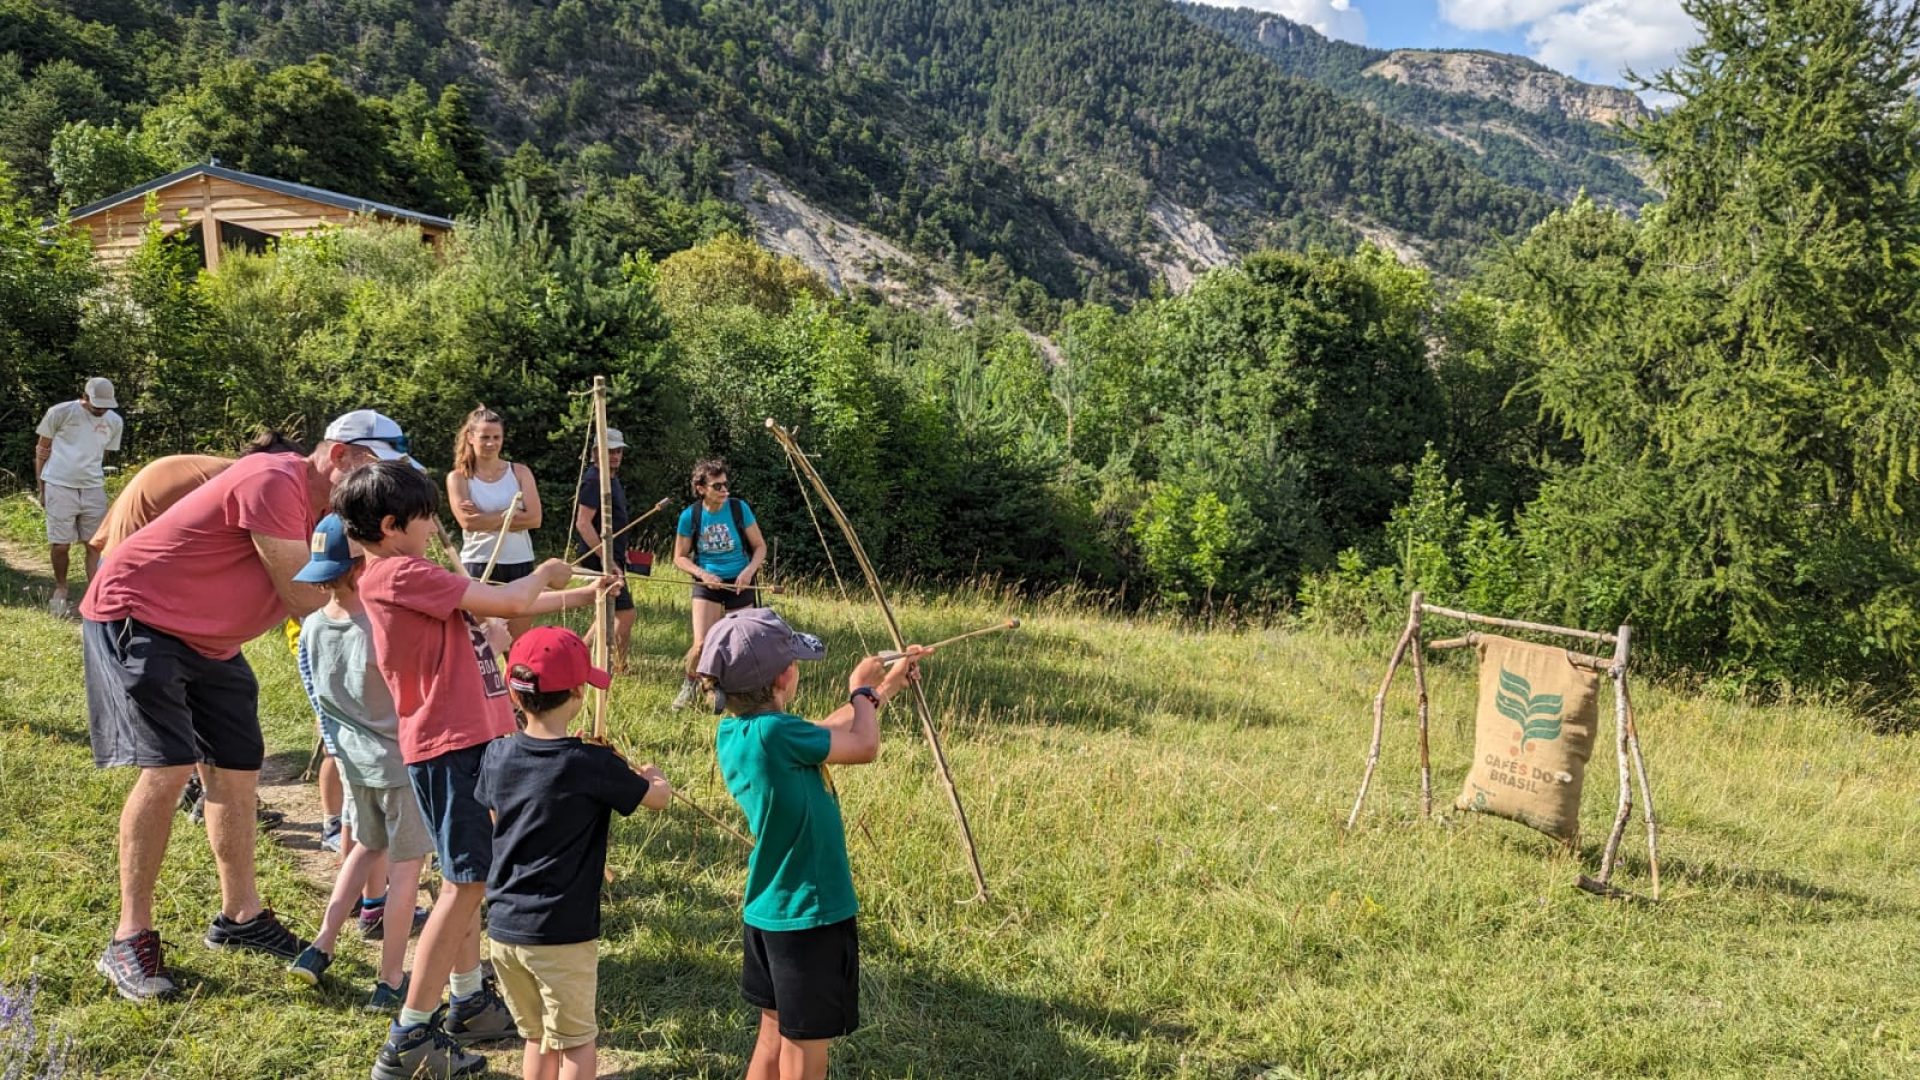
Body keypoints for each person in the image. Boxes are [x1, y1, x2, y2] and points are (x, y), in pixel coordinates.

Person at [82, 409, 416, 1002]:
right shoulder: (275, 480)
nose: (383, 488)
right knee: (169, 766)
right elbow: (302, 595)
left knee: (237, 768)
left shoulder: (334, 512)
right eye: (378, 470)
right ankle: (129, 936)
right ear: (339, 457)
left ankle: (241, 917)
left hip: (212, 640)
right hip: (140, 615)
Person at [335, 461, 622, 1080]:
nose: (434, 525)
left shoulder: (416, 577)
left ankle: (465, 999)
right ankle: (410, 1033)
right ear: (391, 526)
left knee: (468, 881)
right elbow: (517, 595)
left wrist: (578, 593)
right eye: (425, 516)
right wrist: (547, 570)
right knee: (467, 884)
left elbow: (507, 610)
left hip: (471, 742)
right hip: (450, 745)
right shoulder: (400, 574)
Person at [700, 608, 926, 1080]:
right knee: (805, 1052)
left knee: (773, 1036)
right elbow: (863, 746)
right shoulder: (777, 733)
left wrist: (887, 688)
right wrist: (861, 688)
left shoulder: (744, 731)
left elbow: (829, 731)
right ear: (785, 675)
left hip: (772, 911)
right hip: (809, 913)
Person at [476, 627, 673, 1080]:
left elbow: (500, 821)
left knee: (536, 1037)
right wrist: (652, 774)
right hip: (561, 932)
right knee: (577, 1043)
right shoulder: (591, 764)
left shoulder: (497, 754)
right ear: (578, 695)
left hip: (505, 927)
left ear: (513, 691)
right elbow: (657, 798)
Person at [285, 514, 432, 1013]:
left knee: (365, 848)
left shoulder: (310, 629)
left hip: (352, 763)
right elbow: (413, 692)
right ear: (359, 569)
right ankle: (391, 977)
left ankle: (321, 944)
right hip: (398, 766)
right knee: (406, 870)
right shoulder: (379, 628)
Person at [89, 430, 308, 562]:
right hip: (136, 584)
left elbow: (97, 544)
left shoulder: (202, 469)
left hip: (115, 567)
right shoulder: (250, 483)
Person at [671, 459, 767, 710]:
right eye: (717, 486)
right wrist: (702, 574)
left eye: (726, 484)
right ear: (701, 488)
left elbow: (760, 547)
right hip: (708, 582)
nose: (725, 490)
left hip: (739, 582)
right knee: (702, 643)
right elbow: (679, 557)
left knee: (741, 644)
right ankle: (690, 686)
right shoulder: (690, 516)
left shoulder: (739, 508)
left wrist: (748, 572)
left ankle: (736, 693)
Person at [449, 405, 544, 639]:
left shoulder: (520, 472)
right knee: (480, 645)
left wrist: (484, 516)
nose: (491, 443)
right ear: (470, 438)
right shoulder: (459, 477)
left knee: (518, 645)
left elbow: (534, 519)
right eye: (484, 437)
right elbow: (468, 523)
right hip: (478, 563)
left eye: (496, 437)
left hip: (519, 562)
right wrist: (512, 513)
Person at [36, 376, 123, 616]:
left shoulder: (114, 422)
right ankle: (61, 589)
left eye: (105, 405)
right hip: (58, 484)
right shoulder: (61, 412)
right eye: (97, 404)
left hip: (93, 487)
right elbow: (42, 449)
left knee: (95, 544)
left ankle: (95, 596)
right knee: (61, 544)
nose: (101, 409)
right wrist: (41, 487)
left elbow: (101, 454)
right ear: (85, 397)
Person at [573, 428, 634, 674]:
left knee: (612, 612)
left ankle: (618, 664)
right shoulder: (594, 480)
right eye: (610, 451)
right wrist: (606, 558)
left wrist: (622, 551)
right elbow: (583, 522)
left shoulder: (611, 478)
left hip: (613, 557)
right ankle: (581, 656)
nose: (616, 455)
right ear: (596, 453)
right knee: (623, 613)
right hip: (600, 559)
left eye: (618, 450)